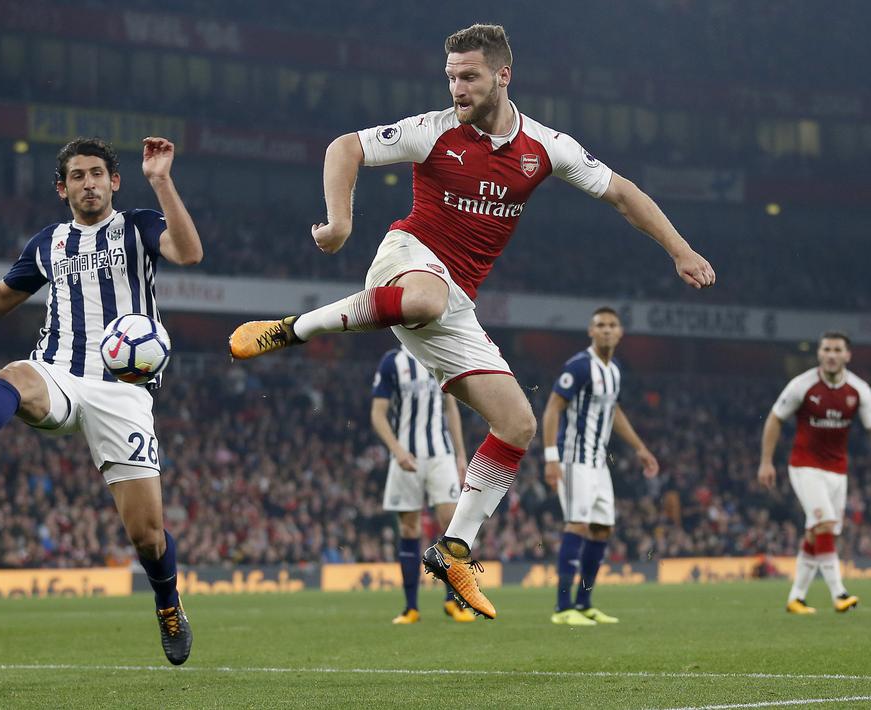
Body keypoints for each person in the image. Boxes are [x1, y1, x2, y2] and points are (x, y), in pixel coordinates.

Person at [228, 24, 714, 618]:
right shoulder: (433, 132)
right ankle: (294, 328)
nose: (457, 87)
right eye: (451, 76)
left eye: (469, 76)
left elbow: (623, 193)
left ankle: (455, 548)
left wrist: (680, 249)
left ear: (503, 75)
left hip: (458, 299)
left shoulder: (546, 148)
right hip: (409, 260)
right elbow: (344, 148)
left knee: (517, 424)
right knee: (427, 300)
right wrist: (338, 223)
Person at [0, 136, 203, 664]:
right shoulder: (47, 243)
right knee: (14, 375)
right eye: (77, 175)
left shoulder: (137, 226)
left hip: (124, 389)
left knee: (147, 536)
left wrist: (161, 181)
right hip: (58, 371)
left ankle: (167, 602)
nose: (88, 182)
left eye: (97, 173)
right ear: (61, 187)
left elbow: (189, 252)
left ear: (114, 181)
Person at [541, 307, 659, 626]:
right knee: (577, 525)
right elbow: (552, 410)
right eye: (600, 325)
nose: (606, 330)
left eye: (612, 325)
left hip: (597, 462)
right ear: (590, 332)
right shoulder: (579, 367)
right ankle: (562, 607)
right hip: (574, 457)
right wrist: (551, 459)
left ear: (620, 333)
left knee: (602, 528)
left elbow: (614, 411)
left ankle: (584, 603)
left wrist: (640, 448)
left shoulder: (615, 369)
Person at [758, 331, 869, 614]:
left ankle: (796, 598)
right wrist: (766, 461)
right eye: (826, 349)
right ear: (819, 354)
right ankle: (839, 594)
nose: (831, 355)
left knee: (815, 532)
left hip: (837, 471)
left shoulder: (859, 390)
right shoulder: (802, 385)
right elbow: (775, 418)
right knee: (825, 525)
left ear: (847, 355)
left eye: (837, 350)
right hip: (805, 467)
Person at [371, 344, 475, 624]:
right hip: (407, 454)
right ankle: (411, 608)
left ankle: (452, 601)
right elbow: (378, 414)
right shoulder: (392, 362)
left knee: (453, 525)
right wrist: (397, 450)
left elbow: (451, 407)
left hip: (441, 454)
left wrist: (461, 454)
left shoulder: (437, 352)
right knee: (409, 528)